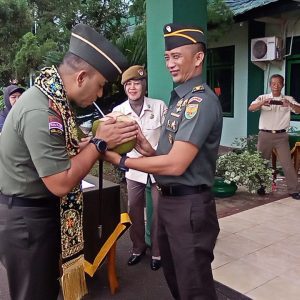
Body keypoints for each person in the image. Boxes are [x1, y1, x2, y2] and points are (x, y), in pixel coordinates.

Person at [0, 23, 138, 300]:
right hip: (28, 221)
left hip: (35, 214)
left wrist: (89, 143)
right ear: (81, 77)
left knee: (46, 289)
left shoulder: (52, 101)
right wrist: (99, 143)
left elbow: (62, 149)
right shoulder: (42, 110)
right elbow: (60, 183)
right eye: (100, 86)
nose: (100, 95)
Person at [104, 23, 223, 299]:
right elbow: (167, 159)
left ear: (198, 57)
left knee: (194, 288)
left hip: (189, 207)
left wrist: (121, 160)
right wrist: (146, 149)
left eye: (177, 56)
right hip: (169, 203)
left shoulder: (200, 102)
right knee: (175, 279)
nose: (170, 63)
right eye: (167, 57)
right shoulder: (178, 100)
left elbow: (176, 165)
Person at [113, 65, 167, 271]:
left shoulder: (159, 106)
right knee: (134, 209)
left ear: (144, 86)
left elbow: (167, 138)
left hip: (156, 167)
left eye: (136, 83)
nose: (133, 88)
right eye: (128, 84)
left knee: (158, 211)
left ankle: (157, 251)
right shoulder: (118, 112)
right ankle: (137, 247)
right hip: (133, 169)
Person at [249, 74, 300, 200]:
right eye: (273, 83)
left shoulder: (288, 98)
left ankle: (294, 190)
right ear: (270, 85)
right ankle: (260, 186)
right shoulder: (263, 97)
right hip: (265, 135)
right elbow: (251, 108)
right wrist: (262, 103)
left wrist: (290, 105)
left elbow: (299, 110)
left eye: (278, 83)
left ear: (282, 85)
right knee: (261, 162)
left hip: (281, 136)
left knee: (287, 164)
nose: (276, 86)